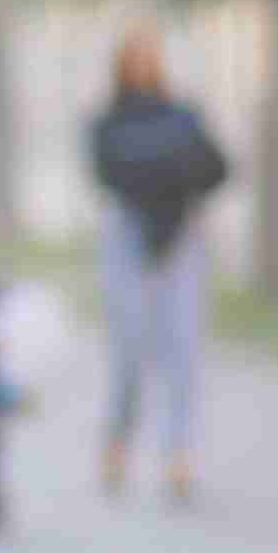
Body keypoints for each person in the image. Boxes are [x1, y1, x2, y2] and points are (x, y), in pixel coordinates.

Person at [86, 27, 230, 504]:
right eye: (135, 59)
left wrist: (173, 173)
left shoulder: (183, 115)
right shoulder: (107, 120)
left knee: (183, 349)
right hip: (128, 234)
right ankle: (118, 437)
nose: (144, 67)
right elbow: (107, 171)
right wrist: (166, 168)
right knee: (130, 348)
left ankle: (179, 454)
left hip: (181, 236)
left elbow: (216, 167)